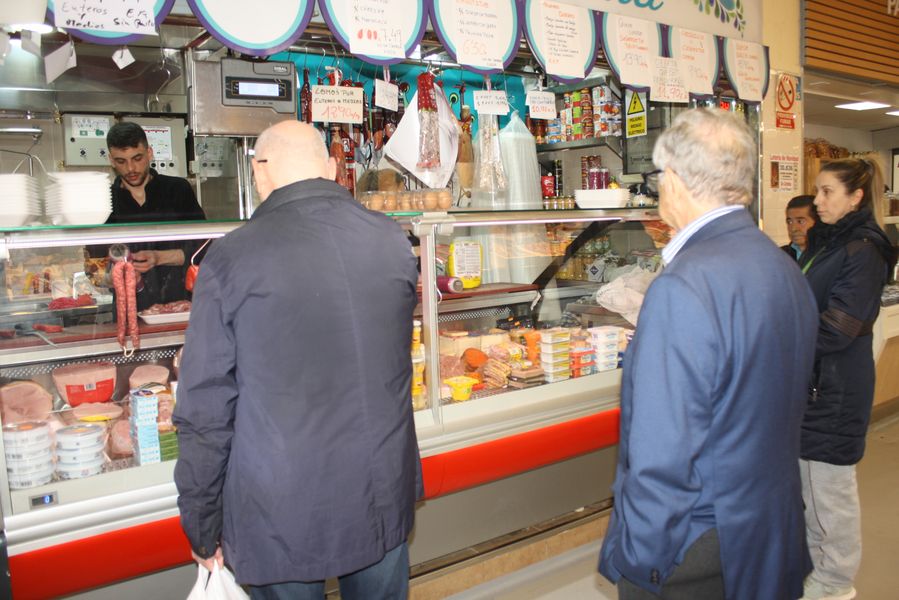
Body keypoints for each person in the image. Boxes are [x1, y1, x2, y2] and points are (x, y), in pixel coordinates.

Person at [173, 120, 421, 600]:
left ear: (259, 171)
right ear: (331, 168)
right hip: (380, 485)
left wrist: (201, 520)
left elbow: (205, 407)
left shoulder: (230, 258)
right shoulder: (392, 238)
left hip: (281, 508)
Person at [598, 108, 819, 600]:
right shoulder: (782, 266)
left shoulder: (683, 285)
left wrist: (640, 559)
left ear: (675, 181)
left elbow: (661, 449)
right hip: (770, 523)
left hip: (695, 542)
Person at [798, 158, 897, 600]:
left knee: (830, 494)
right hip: (813, 385)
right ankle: (814, 570)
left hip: (835, 391)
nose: (817, 201)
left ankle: (835, 583)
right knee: (810, 490)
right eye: (817, 190)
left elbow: (837, 328)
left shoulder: (864, 250)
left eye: (827, 192)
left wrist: (779, 342)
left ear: (856, 197)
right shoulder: (830, 242)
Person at [104, 121, 206, 309]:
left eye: (137, 158)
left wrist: (159, 257)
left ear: (149, 153)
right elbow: (95, 266)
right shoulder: (104, 201)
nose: (130, 168)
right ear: (111, 160)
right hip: (128, 310)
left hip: (180, 305)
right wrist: (114, 276)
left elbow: (204, 249)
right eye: (121, 161)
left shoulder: (177, 189)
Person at [783, 194, 819, 260]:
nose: (793, 229)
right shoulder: (781, 254)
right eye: (789, 222)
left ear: (817, 222)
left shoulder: (829, 255)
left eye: (800, 221)